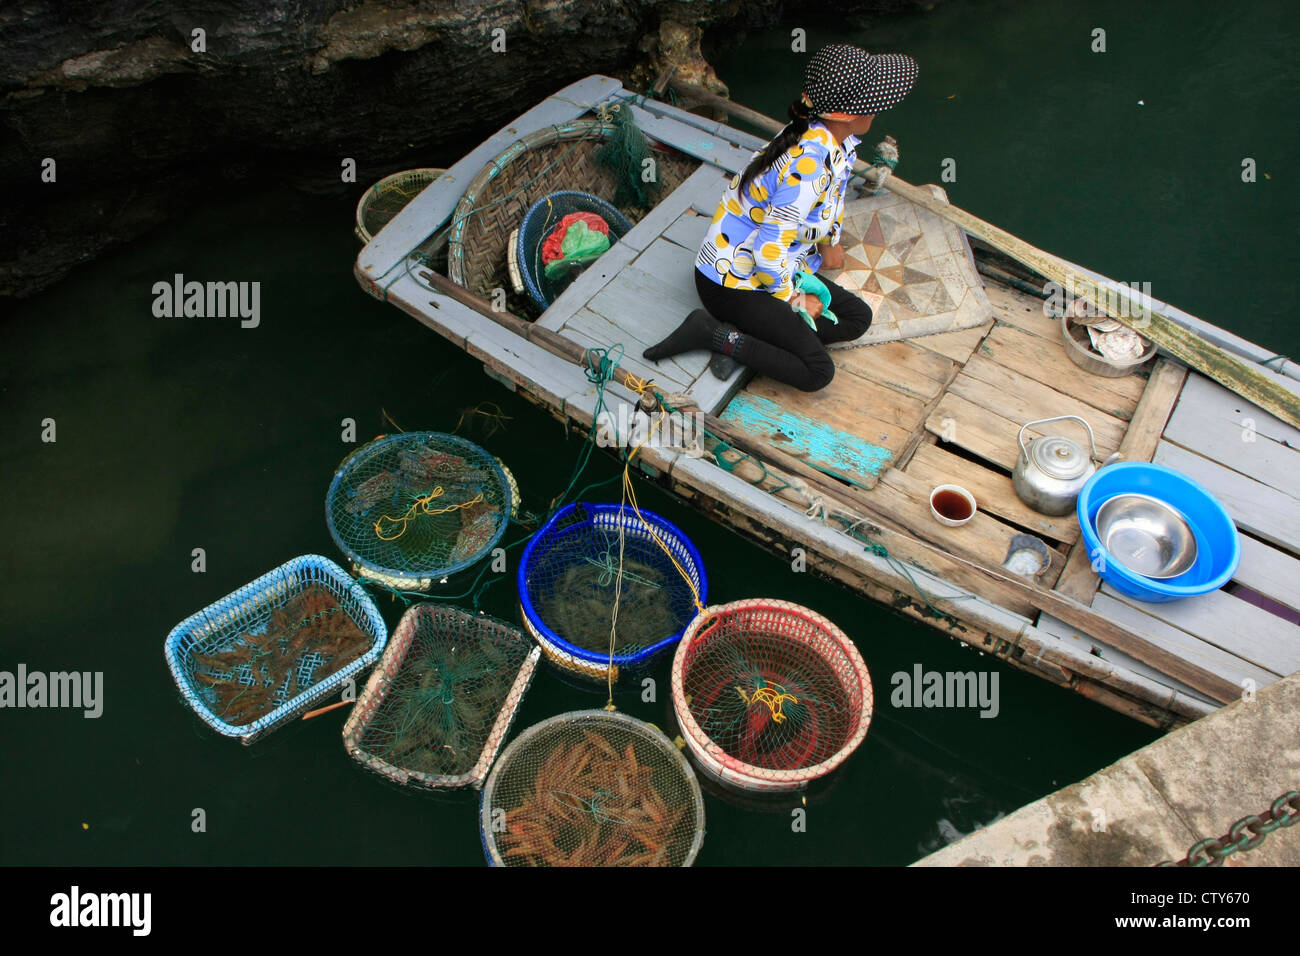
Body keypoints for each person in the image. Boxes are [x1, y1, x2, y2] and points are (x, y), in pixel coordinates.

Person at [643, 43, 918, 391]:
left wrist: (829, 242)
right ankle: (714, 334)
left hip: (776, 267)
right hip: (733, 282)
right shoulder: (809, 168)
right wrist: (795, 300)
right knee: (818, 371)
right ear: (848, 115)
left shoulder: (832, 139)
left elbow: (832, 197)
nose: (881, 109)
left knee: (858, 317)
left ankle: (757, 336)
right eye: (876, 103)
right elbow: (768, 251)